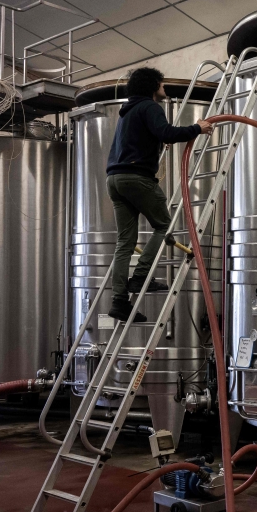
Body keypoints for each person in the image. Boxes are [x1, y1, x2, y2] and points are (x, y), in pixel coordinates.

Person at [105, 67, 213, 322]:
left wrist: (155, 142)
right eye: (162, 84)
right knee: (163, 225)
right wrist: (197, 127)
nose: (164, 89)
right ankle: (141, 276)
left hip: (114, 179)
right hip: (136, 178)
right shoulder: (150, 107)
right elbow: (167, 133)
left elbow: (143, 139)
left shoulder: (127, 113)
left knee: (125, 242)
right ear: (152, 86)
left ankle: (119, 302)